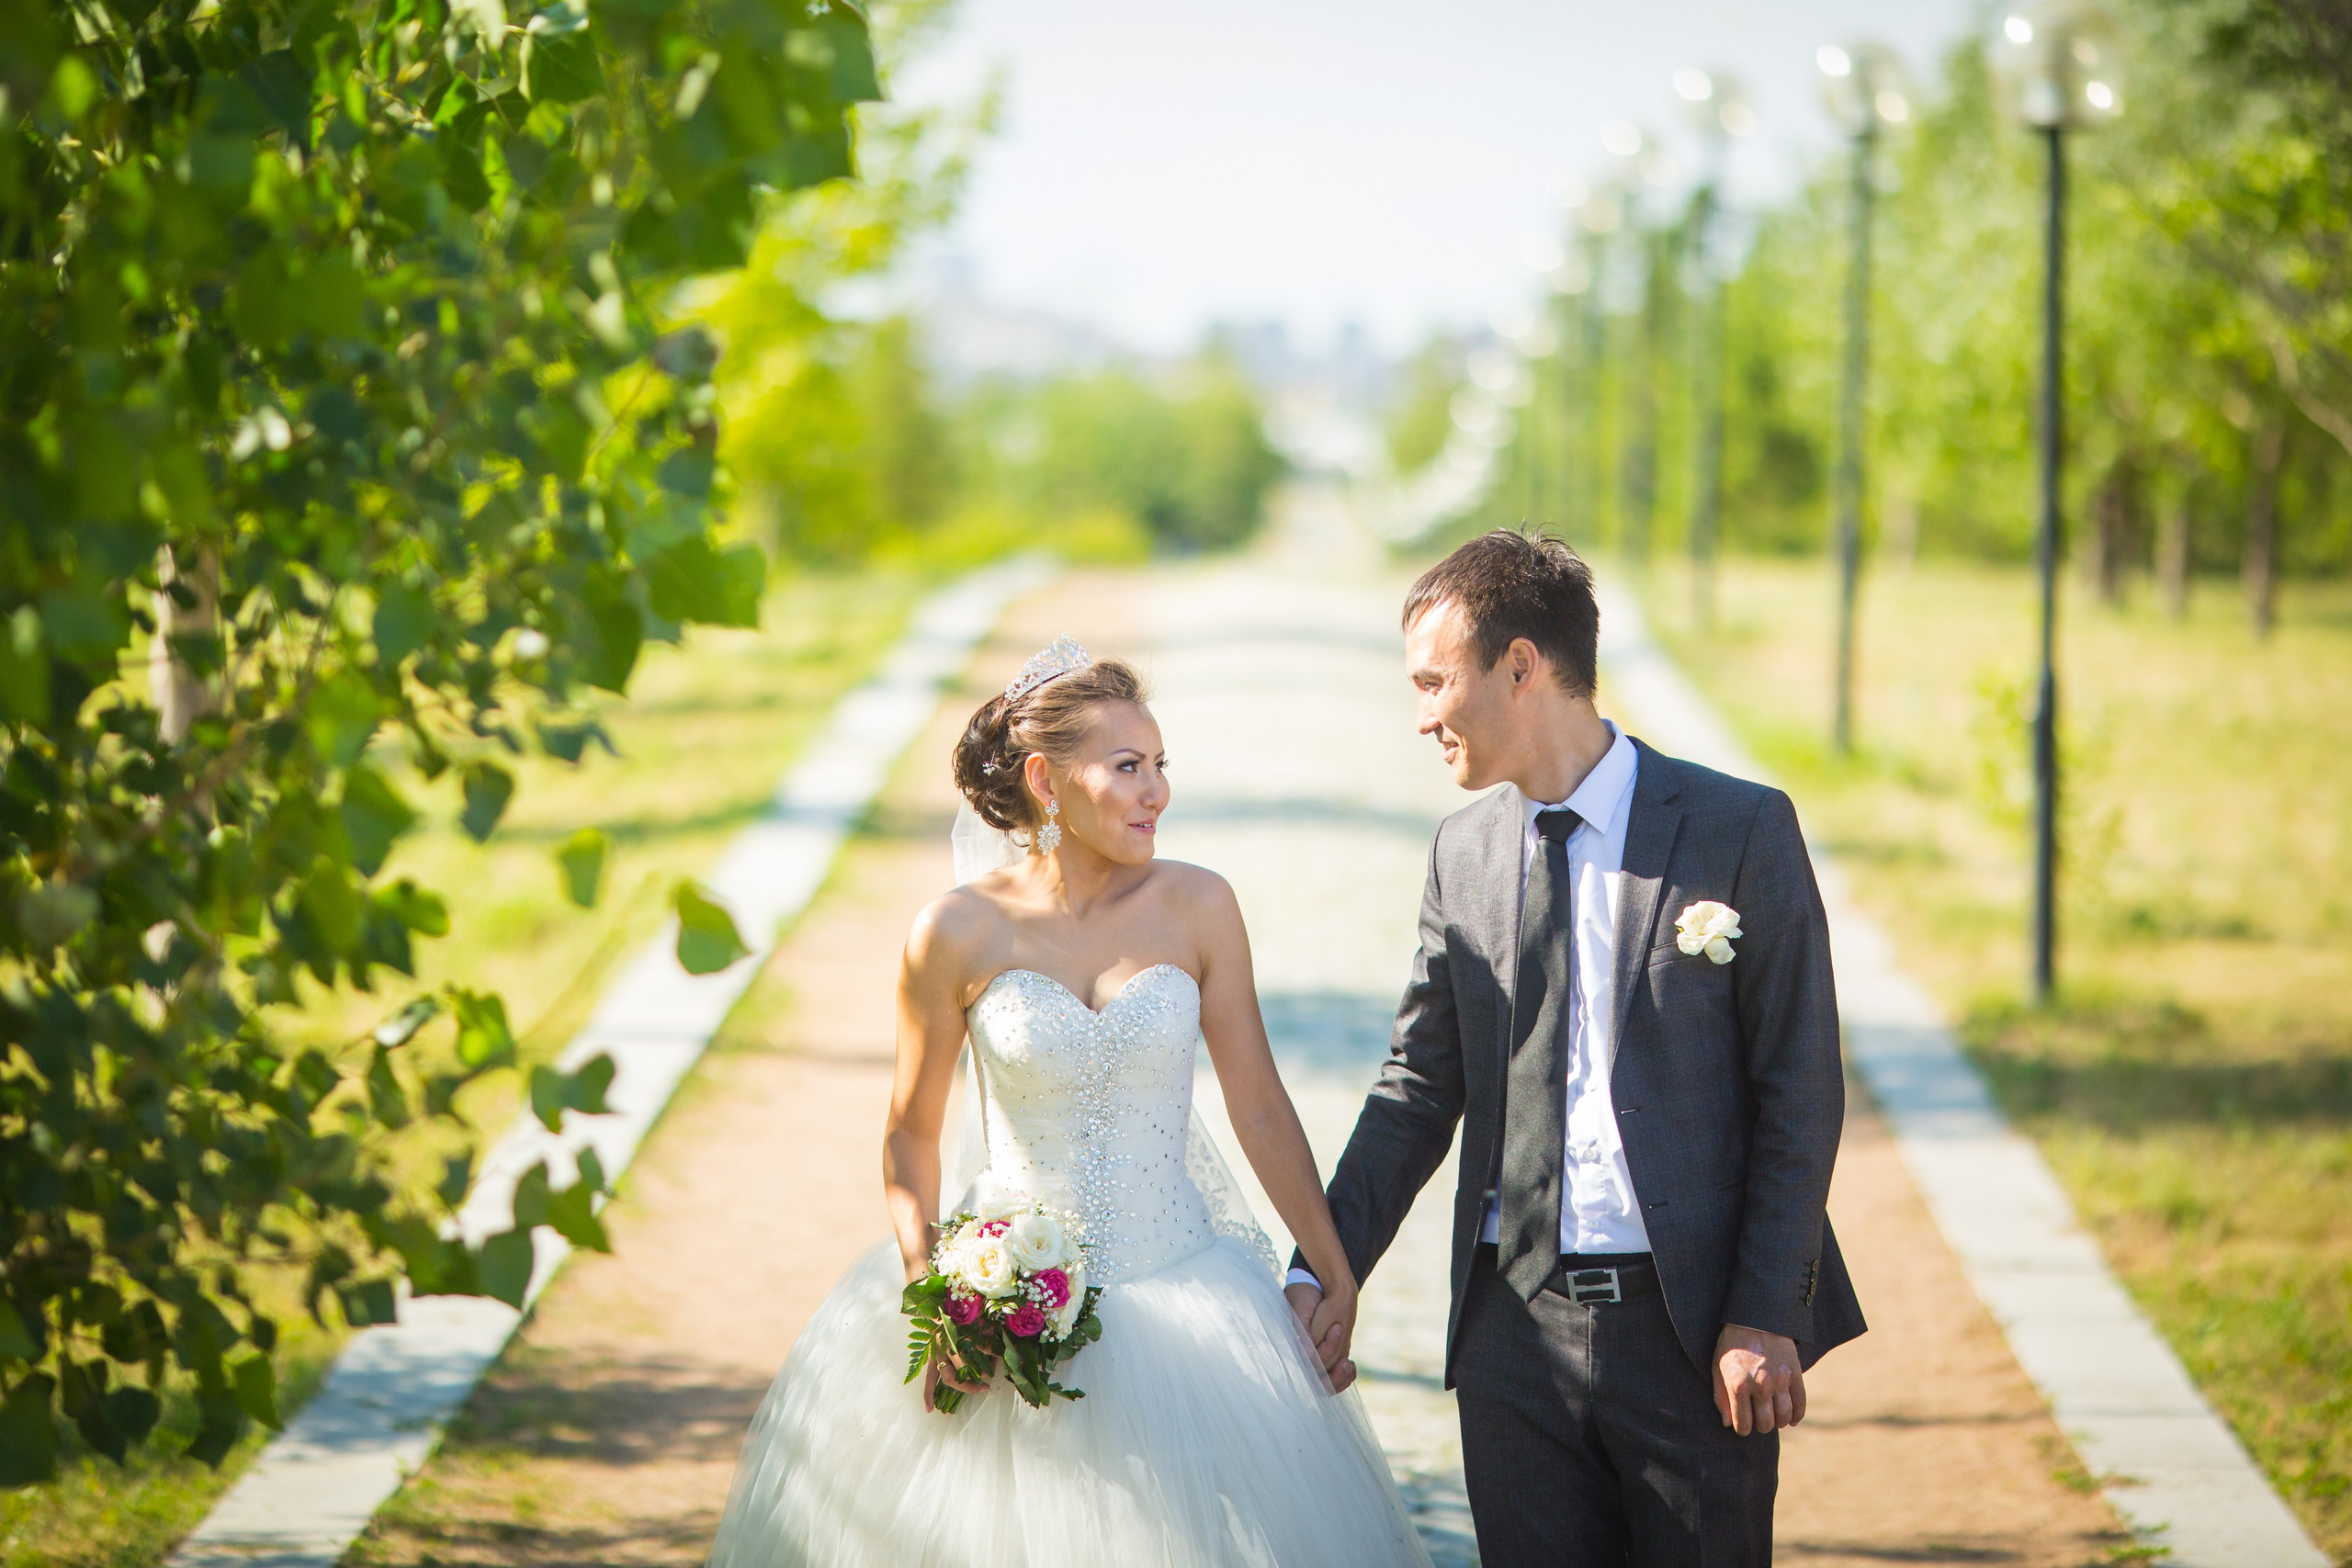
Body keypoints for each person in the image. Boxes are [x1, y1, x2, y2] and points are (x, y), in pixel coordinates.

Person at [705, 638, 1431, 1568]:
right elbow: (909, 1137)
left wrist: (1332, 1268)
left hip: (1188, 1297)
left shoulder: (1201, 906)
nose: (1156, 791)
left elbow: (1257, 1104)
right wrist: (939, 1296)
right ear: (1047, 780)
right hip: (1006, 1306)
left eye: (1161, 765)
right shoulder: (956, 931)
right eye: (1127, 767)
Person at [1284, 531, 1867, 1566]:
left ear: (1521, 666)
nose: (1421, 717)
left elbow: (1801, 1088)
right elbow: (1417, 1086)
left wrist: (1763, 1314)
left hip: (1692, 1339)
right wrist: (1324, 1267)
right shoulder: (1461, 855)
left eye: (1434, 683)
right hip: (1512, 1338)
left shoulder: (1738, 829)